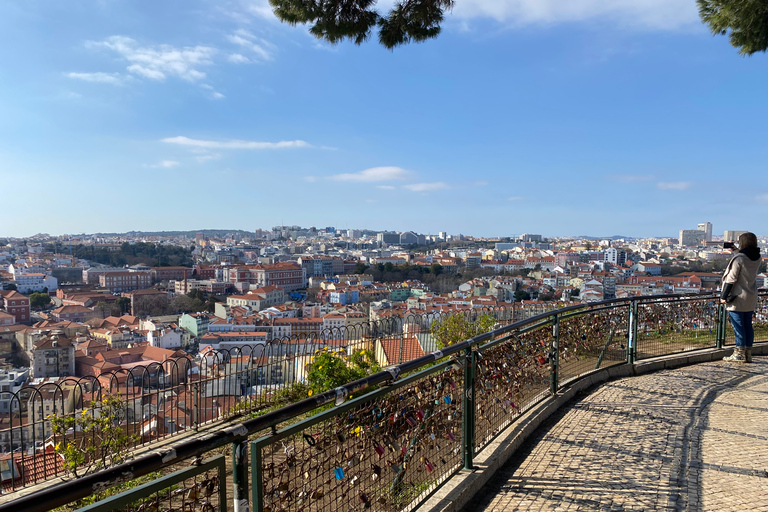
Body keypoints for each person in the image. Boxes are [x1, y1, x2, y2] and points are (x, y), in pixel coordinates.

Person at [721, 232, 762, 362]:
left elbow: (731, 279)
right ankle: (748, 354)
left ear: (742, 243)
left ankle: (739, 353)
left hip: (737, 296)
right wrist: (735, 250)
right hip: (750, 295)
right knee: (747, 325)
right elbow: (745, 258)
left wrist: (723, 296)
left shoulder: (739, 259)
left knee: (738, 326)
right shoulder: (757, 257)